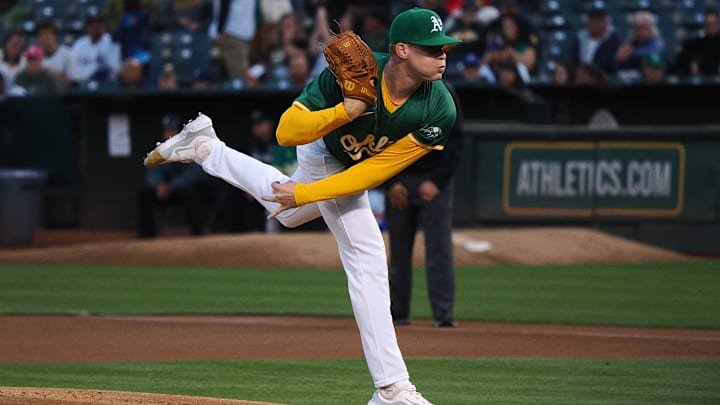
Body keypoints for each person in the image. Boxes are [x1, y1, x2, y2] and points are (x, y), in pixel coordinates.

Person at [142, 7, 461, 404]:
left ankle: (205, 147)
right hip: (324, 150)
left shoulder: (439, 107)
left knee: (291, 213)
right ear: (401, 50)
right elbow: (285, 131)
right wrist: (346, 110)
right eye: (432, 48)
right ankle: (392, 389)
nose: (443, 54)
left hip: (356, 165)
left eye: (444, 47)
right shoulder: (349, 76)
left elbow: (374, 173)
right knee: (368, 254)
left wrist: (305, 195)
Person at [383, 79, 463, 328]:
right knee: (398, 250)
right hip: (400, 179)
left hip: (433, 179)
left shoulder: (444, 92)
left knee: (439, 249)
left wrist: (437, 182)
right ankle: (397, 312)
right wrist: (391, 182)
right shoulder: (391, 89)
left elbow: (456, 142)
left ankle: (443, 313)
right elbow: (379, 139)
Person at [137, 113, 213, 238]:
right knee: (145, 193)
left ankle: (197, 234)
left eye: (173, 130)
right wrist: (159, 185)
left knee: (191, 190)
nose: (169, 134)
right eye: (167, 130)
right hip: (168, 192)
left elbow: (195, 173)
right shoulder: (160, 150)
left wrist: (171, 186)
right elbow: (153, 171)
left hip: (192, 190)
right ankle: (146, 237)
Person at [568, 5, 620, 76]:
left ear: (606, 23)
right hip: (580, 76)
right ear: (588, 22)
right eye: (594, 20)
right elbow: (573, 60)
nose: (597, 24)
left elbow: (610, 64)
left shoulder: (613, 40)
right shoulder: (579, 38)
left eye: (600, 20)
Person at [71, 15, 123, 84]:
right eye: (93, 25)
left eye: (100, 24)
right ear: (87, 28)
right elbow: (73, 66)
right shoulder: (79, 44)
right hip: (81, 83)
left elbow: (114, 69)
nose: (98, 27)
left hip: (105, 84)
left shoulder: (112, 42)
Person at [672, 8, 720, 78]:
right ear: (704, 25)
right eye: (708, 24)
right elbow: (681, 62)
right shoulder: (694, 43)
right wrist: (691, 64)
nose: (710, 27)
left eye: (713, 24)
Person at [35, 21, 82, 87]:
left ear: (55, 36)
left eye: (47, 34)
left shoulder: (68, 54)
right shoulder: (34, 56)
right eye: (40, 35)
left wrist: (57, 77)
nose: (44, 38)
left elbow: (75, 83)